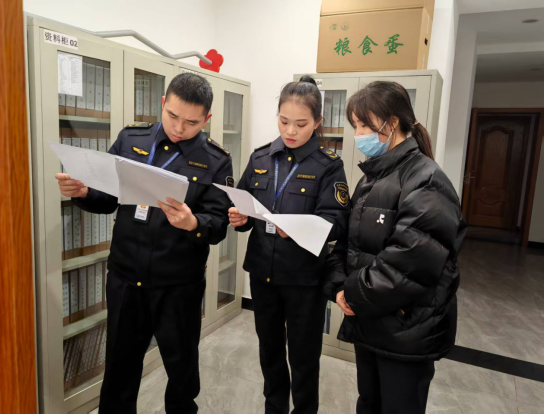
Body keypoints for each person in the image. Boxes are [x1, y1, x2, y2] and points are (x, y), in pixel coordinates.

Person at [55, 73, 233, 414]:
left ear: (206, 119)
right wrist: (83, 192)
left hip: (178, 286)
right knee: (119, 370)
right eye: (172, 115)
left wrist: (193, 223)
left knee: (181, 371)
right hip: (125, 278)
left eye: (192, 122)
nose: (179, 128)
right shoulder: (131, 138)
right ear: (162, 103)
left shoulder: (215, 159)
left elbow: (219, 224)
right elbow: (107, 197)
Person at [323, 81, 466, 414]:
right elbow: (348, 243)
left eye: (364, 125)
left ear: (392, 123)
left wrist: (353, 294)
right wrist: (339, 287)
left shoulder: (427, 180)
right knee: (369, 403)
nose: (359, 134)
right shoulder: (372, 178)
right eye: (355, 126)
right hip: (370, 320)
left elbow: (412, 262)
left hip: (406, 329)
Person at [228, 75, 350, 414]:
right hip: (262, 272)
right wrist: (239, 218)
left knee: (303, 354)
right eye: (284, 121)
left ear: (318, 122)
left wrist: (296, 229)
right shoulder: (261, 158)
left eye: (301, 123)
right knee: (269, 349)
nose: (290, 131)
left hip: (304, 279)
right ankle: (275, 407)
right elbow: (245, 204)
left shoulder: (328, 165)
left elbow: (337, 222)